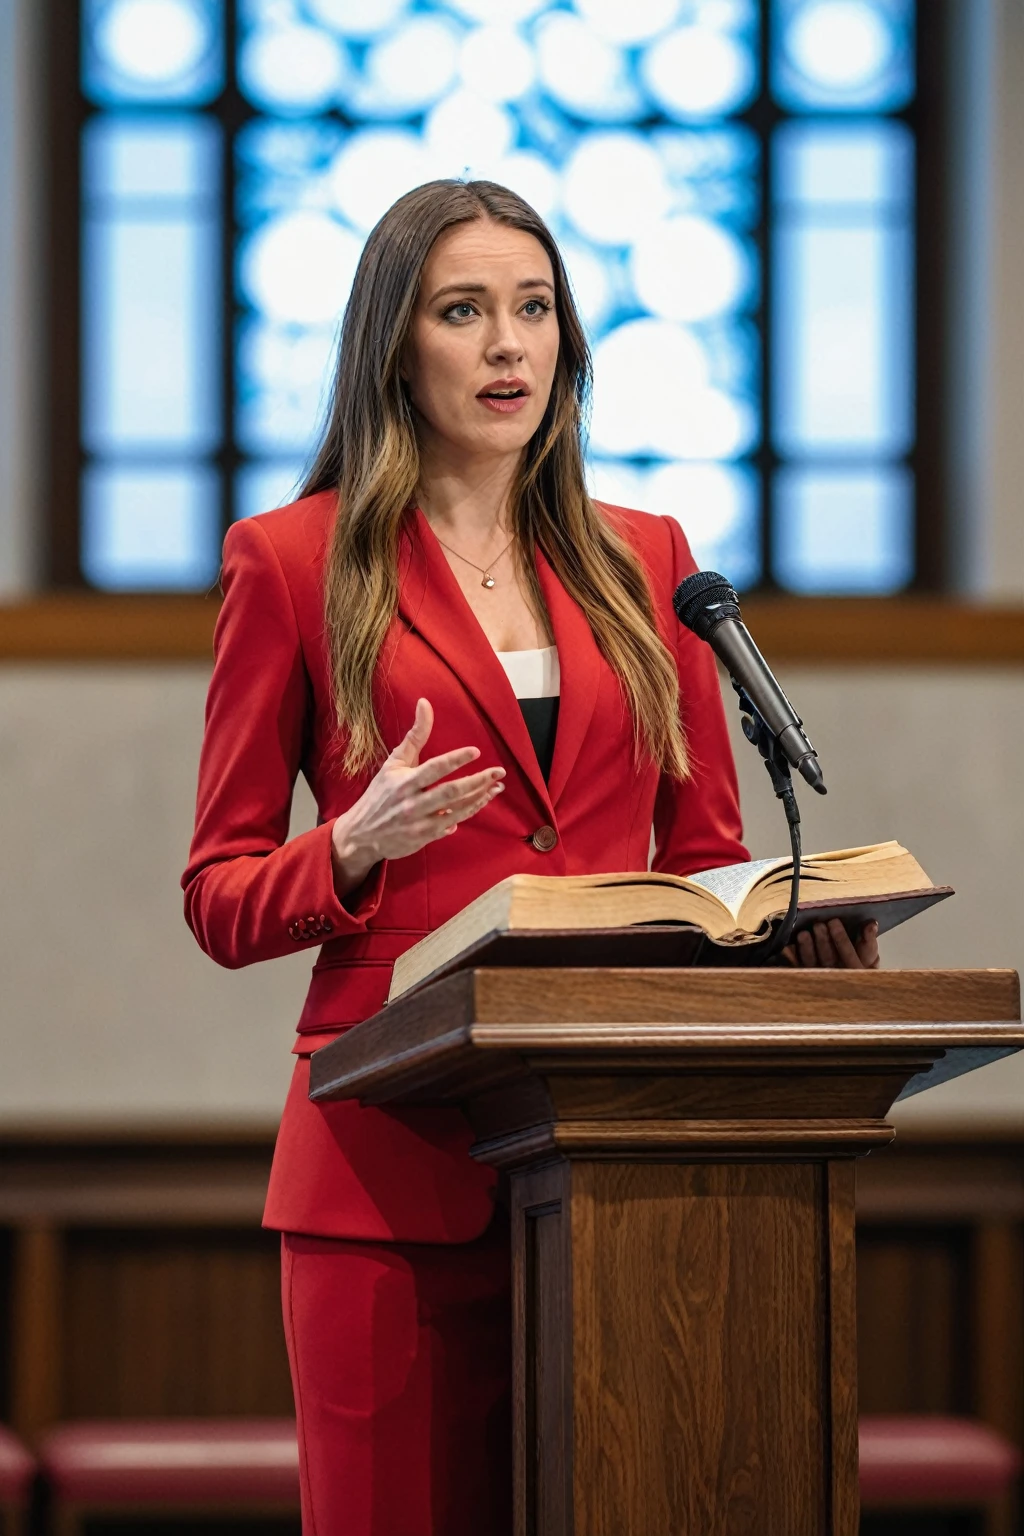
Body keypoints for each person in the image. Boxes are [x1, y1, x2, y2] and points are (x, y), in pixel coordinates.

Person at [182, 178, 879, 1535]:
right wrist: (354, 844)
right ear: (397, 344)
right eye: (463, 312)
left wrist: (789, 940)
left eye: (534, 308)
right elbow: (217, 894)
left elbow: (709, 860)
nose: (508, 344)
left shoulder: (648, 561)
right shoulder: (292, 562)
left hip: (625, 1166)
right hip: (387, 1176)